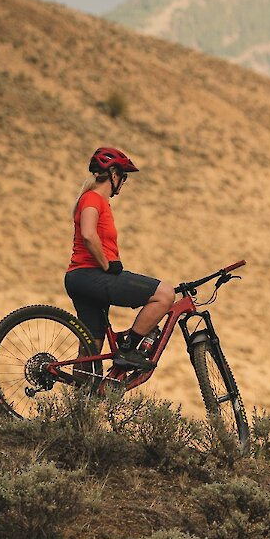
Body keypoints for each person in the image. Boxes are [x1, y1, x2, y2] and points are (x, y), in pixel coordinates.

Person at [63, 146, 173, 375]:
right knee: (164, 294)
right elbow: (88, 233)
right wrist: (106, 264)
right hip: (90, 275)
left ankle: (81, 400)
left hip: (82, 279)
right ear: (114, 174)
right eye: (123, 177)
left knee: (91, 351)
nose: (123, 183)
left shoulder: (96, 201)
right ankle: (128, 348)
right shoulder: (93, 199)